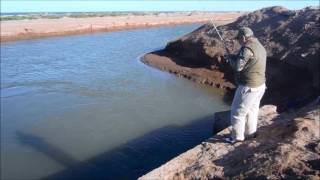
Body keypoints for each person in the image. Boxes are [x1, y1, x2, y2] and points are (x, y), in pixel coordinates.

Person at [224, 27, 267, 144]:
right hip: (260, 85)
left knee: (237, 113)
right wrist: (232, 56)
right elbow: (247, 61)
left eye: (239, 39)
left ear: (243, 37)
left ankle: (237, 137)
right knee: (252, 111)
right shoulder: (259, 45)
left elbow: (238, 67)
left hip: (249, 86)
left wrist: (229, 59)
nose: (238, 41)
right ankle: (250, 133)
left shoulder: (247, 48)